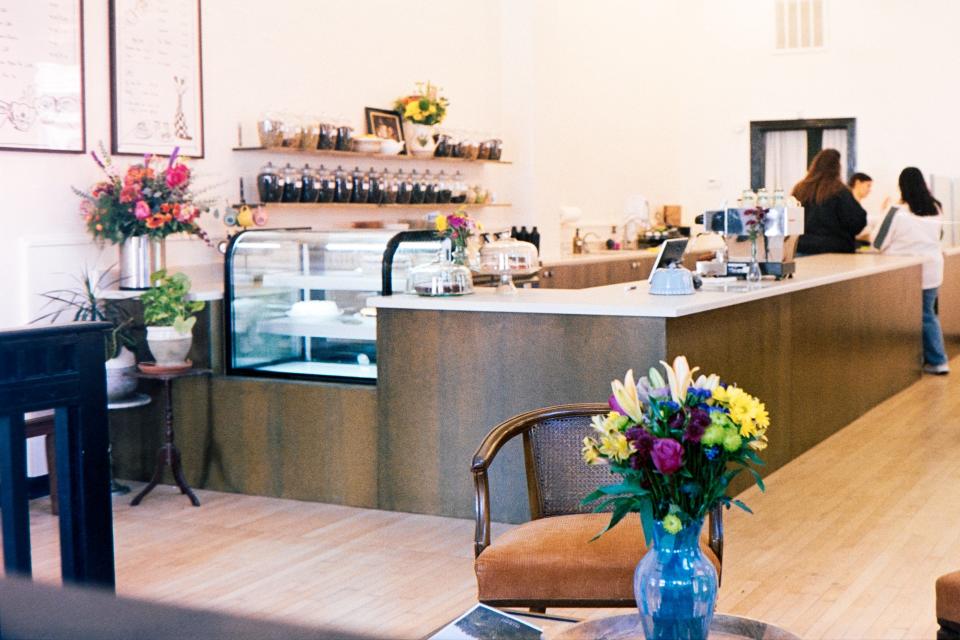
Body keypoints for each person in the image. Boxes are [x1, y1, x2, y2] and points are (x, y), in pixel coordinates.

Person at [872, 167, 948, 374]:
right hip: (932, 269)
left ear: (901, 187)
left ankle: (932, 361)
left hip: (903, 273)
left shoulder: (896, 211)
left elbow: (877, 243)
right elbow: (938, 237)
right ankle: (932, 359)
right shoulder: (936, 207)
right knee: (928, 314)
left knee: (900, 318)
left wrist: (882, 211)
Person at [792, 148, 867, 254]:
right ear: (837, 168)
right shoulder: (839, 190)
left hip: (803, 247)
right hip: (835, 250)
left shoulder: (800, 189)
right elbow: (855, 222)